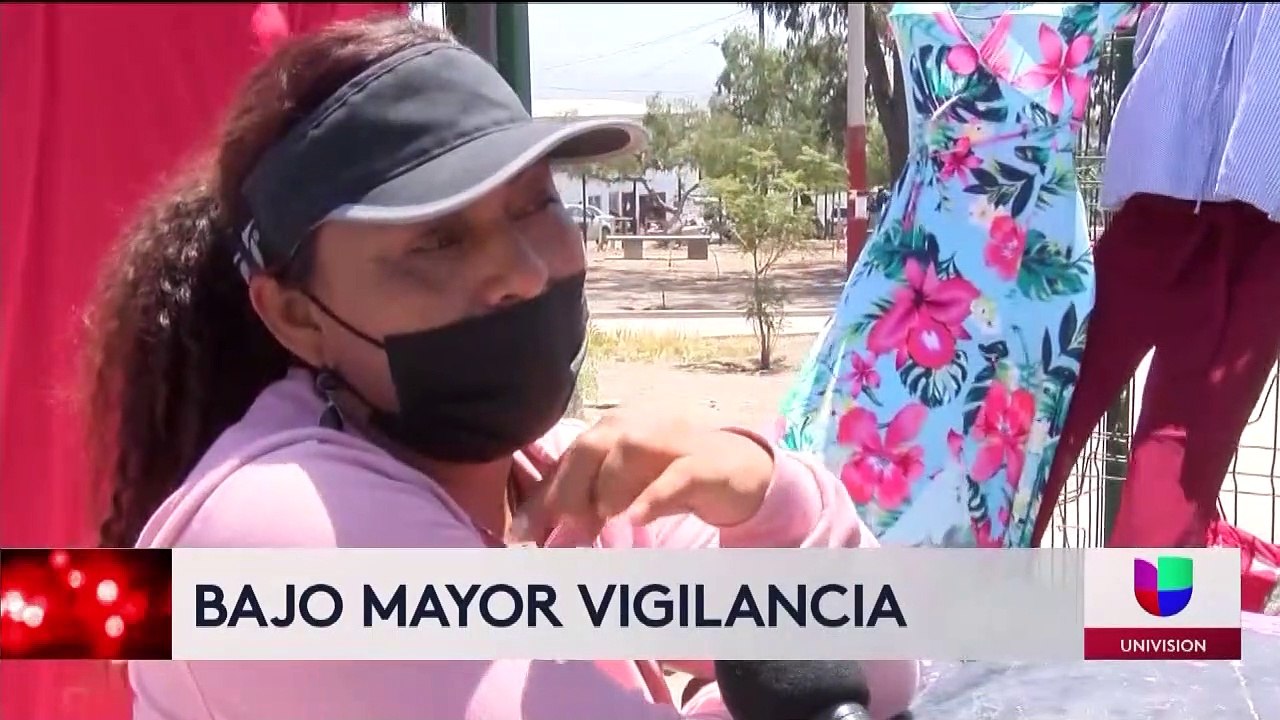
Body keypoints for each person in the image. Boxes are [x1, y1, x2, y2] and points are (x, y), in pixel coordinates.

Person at [79, 17, 919, 720]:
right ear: (297, 315)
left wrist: (766, 497)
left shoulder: (558, 476)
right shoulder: (282, 532)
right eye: (437, 240)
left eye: (536, 205)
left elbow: (876, 669)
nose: (520, 270)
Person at [776, 3, 1140, 548]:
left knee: (986, 476)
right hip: (915, 262)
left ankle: (947, 620)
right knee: (853, 442)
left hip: (1028, 283)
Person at [1032, 3, 1280, 547]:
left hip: (1263, 227)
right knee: (1039, 415)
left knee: (1171, 485)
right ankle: (955, 601)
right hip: (1157, 195)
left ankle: (1134, 632)